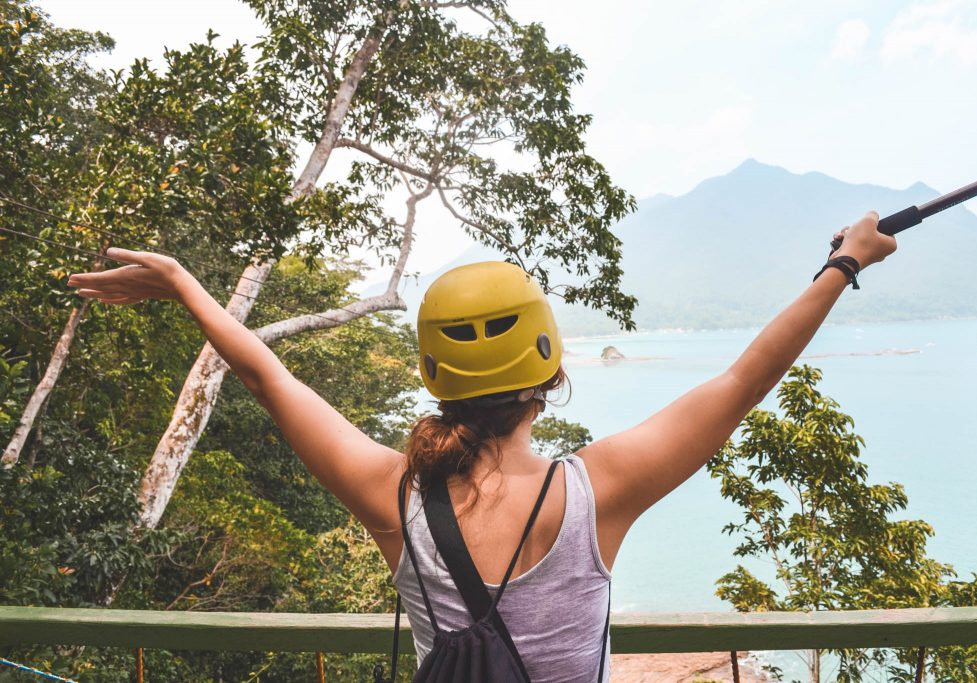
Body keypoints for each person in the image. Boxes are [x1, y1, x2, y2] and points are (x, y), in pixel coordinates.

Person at [67, 211, 896, 682]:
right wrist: (844, 263)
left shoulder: (393, 492)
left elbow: (268, 379)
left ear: (434, 373)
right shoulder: (596, 488)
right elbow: (742, 382)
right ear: (548, 370)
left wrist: (184, 284)